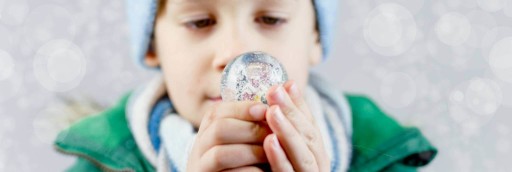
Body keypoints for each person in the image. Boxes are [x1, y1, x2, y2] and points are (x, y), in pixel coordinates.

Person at [54, 0, 437, 171]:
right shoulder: (101, 164)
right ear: (153, 44)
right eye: (200, 22)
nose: (238, 53)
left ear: (315, 37)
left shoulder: (381, 156)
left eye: (270, 18)